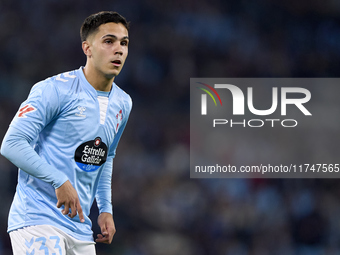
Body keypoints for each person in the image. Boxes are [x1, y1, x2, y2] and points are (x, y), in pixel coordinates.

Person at [1, 11, 132, 255]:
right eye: (109, 41)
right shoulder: (54, 89)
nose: (119, 49)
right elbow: (12, 143)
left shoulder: (123, 103)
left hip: (79, 227)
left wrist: (105, 208)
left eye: (124, 43)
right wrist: (58, 180)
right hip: (37, 218)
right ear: (87, 48)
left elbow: (106, 156)